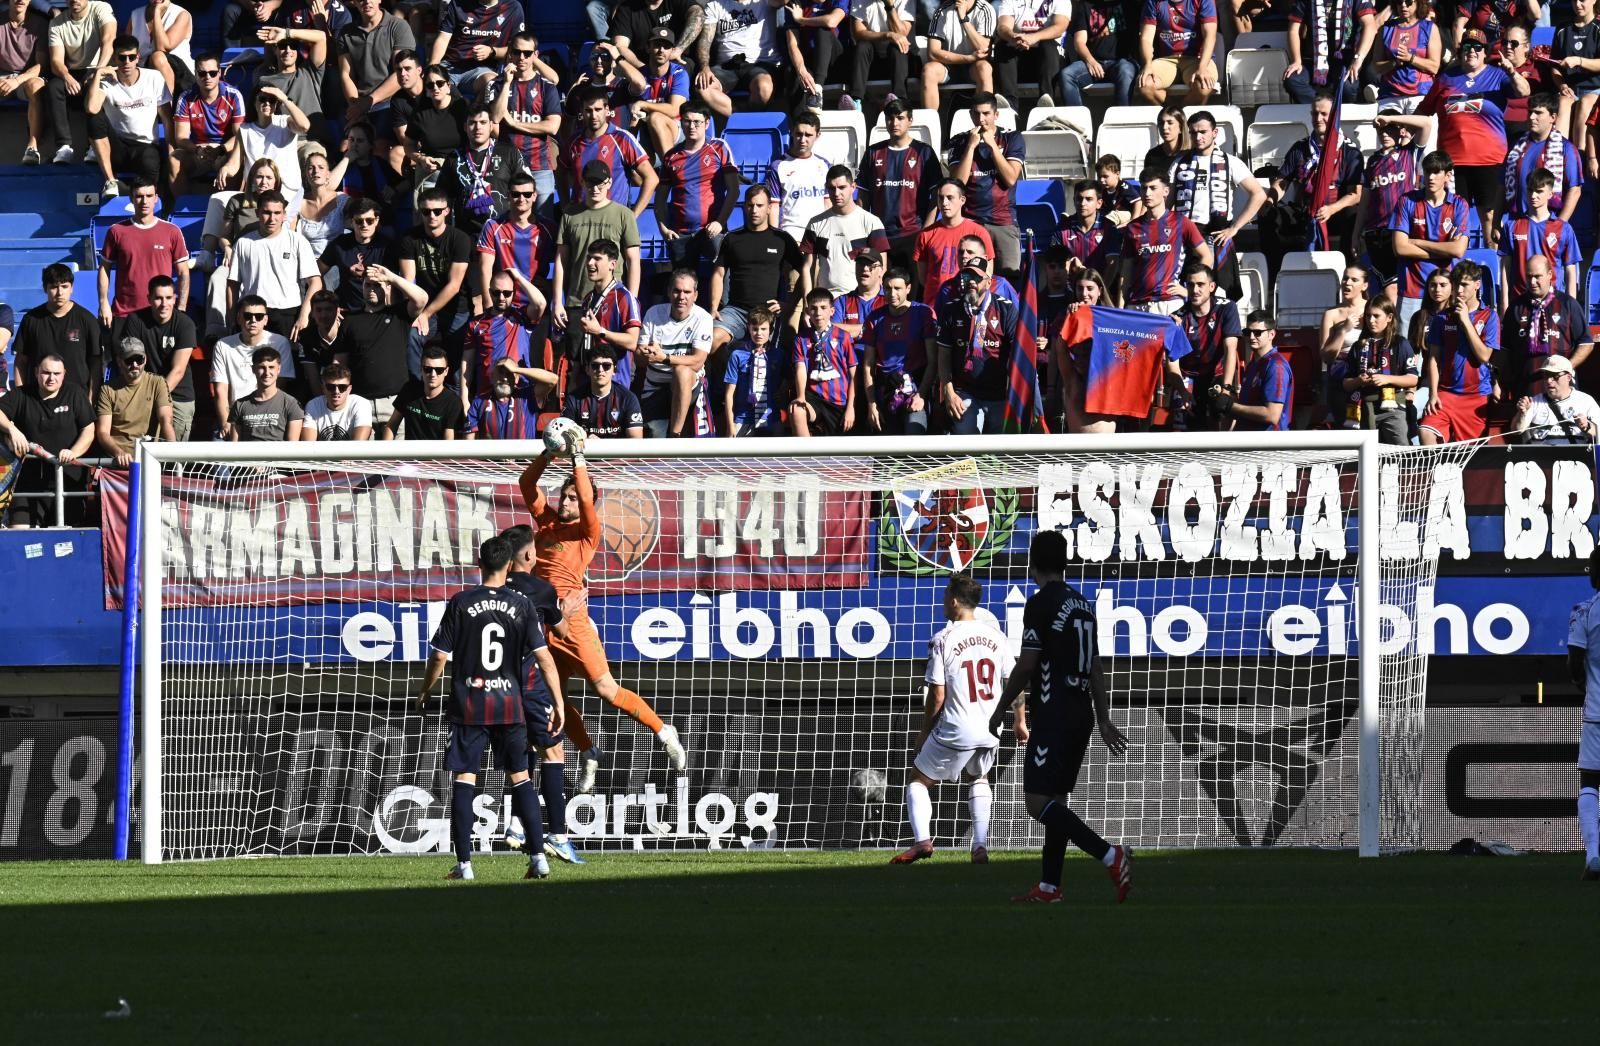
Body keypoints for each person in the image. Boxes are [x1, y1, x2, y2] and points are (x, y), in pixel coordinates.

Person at [519, 447, 687, 792]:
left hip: (574, 625)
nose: (564, 502)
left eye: (571, 497)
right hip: (544, 625)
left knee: (606, 690)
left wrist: (578, 460)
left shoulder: (587, 531)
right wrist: (548, 455)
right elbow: (526, 482)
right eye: (562, 496)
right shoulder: (547, 522)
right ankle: (588, 751)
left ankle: (663, 731)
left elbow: (585, 496)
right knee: (554, 699)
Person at [417, 535, 563, 882]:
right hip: (511, 704)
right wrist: (557, 702)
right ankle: (539, 857)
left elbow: (439, 655)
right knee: (521, 778)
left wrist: (425, 690)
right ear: (510, 565)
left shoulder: (462, 602)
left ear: (479, 565)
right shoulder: (523, 605)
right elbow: (544, 658)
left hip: (470, 705)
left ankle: (465, 865)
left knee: (465, 778)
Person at [997, 529, 1131, 904]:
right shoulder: (1083, 604)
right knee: (1057, 799)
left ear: (1032, 563)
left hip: (1054, 711)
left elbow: (1026, 666)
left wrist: (999, 708)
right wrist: (1103, 718)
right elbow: (1097, 667)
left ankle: (1109, 854)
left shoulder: (1040, 603)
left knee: (1037, 802)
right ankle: (1049, 886)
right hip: (1081, 712)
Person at [891, 572, 1013, 865]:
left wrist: (923, 734)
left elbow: (937, 697)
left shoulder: (943, 639)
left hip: (957, 727)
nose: (944, 601)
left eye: (946, 596)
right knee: (979, 777)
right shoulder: (998, 637)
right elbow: (1014, 683)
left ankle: (922, 841)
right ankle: (980, 846)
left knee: (919, 781)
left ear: (955, 601)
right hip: (990, 729)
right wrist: (1020, 721)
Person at [1387, 28, 1529, 249]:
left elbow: (1524, 91)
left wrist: (1511, 71)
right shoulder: (1446, 79)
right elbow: (1424, 111)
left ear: (1484, 52)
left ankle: (1489, 271)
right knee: (1451, 221)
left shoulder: (1497, 75)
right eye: (1467, 47)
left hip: (1489, 160)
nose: (1471, 51)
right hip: (1452, 164)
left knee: (1490, 220)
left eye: (1477, 47)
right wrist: (1404, 130)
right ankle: (1456, 273)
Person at [1167, 110, 1267, 297]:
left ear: (1215, 132)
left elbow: (1259, 194)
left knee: (1220, 295)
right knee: (1187, 294)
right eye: (1194, 132)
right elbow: (1167, 203)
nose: (1198, 137)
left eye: (1203, 132)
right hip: (1186, 236)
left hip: (1217, 234)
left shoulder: (1231, 161)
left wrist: (1235, 228)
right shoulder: (1179, 163)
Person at [0, 354, 94, 526]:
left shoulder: (75, 394)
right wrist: (11, 429)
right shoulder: (21, 395)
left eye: (57, 374)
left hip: (68, 481)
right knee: (20, 539)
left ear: (64, 374)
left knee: (66, 544)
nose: (51, 378)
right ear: (36, 372)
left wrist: (73, 452)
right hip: (28, 482)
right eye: (46, 373)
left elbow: (89, 431)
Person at [708, 185, 802, 353]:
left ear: (769, 208)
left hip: (768, 313)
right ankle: (726, 379)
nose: (754, 210)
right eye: (750, 205)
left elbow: (804, 272)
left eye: (759, 205)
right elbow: (718, 272)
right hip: (735, 310)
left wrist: (788, 304)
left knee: (779, 354)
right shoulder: (732, 238)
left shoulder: (782, 239)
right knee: (712, 340)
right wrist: (714, 307)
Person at [1386, 149, 1468, 336]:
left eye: (1436, 172)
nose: (1431, 176)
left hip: (1446, 290)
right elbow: (1399, 247)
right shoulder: (1407, 201)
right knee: (1409, 355)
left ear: (1447, 176)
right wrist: (1443, 250)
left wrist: (1416, 242)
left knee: (1444, 353)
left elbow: (1458, 250)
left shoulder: (1459, 205)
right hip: (1412, 290)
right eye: (1428, 171)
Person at [553, 162, 643, 330]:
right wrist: (558, 302)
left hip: (613, 302)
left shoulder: (624, 215)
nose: (595, 188)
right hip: (577, 302)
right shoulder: (569, 215)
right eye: (590, 182)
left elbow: (633, 262)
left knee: (611, 355)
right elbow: (561, 261)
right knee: (576, 356)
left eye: (600, 183)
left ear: (609, 183)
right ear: (582, 182)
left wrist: (631, 302)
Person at [1273, 89, 1364, 255]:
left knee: (1353, 214)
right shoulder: (1300, 148)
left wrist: (1331, 209)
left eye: (1324, 114)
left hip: (1335, 212)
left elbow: (1356, 195)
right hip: (1304, 210)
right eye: (1314, 114)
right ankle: (1276, 272)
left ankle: (1347, 268)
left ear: (1335, 117)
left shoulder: (1350, 152)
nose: (1318, 119)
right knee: (1272, 216)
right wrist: (1269, 200)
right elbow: (1282, 182)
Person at [856, 97, 941, 271]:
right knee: (883, 291)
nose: (894, 123)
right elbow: (863, 195)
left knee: (912, 291)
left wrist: (926, 230)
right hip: (880, 234)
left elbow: (936, 197)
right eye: (890, 118)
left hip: (913, 233)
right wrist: (866, 228)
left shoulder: (924, 152)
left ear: (910, 120)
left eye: (900, 118)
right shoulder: (873, 152)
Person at [654, 99, 739, 274]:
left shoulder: (719, 148)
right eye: (687, 121)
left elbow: (734, 190)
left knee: (721, 279)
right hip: (680, 234)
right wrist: (664, 229)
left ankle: (722, 303)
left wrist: (719, 222)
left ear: (706, 123)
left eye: (697, 122)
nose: (691, 126)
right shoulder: (671, 156)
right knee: (683, 286)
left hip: (712, 230)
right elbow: (660, 198)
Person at [337, 263, 426, 428]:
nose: (372, 289)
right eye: (368, 285)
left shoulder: (399, 314)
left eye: (377, 285)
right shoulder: (350, 320)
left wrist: (391, 277)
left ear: (388, 289)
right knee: (363, 455)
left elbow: (422, 299)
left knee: (396, 454)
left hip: (395, 402)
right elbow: (340, 364)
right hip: (360, 402)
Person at [398, 187, 473, 380]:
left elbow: (454, 285)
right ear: (419, 212)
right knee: (413, 337)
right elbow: (409, 281)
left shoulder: (460, 239)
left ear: (447, 211)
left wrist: (426, 313)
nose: (432, 215)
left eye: (437, 211)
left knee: (456, 366)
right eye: (426, 211)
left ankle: (456, 402)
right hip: (424, 306)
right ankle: (417, 388)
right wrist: (420, 313)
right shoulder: (409, 239)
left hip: (456, 308)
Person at [935, 260, 1018, 435]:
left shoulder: (1006, 310)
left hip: (999, 393)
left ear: (988, 282)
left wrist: (1013, 396)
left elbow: (1016, 357)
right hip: (964, 391)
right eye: (967, 276)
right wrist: (948, 392)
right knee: (964, 444)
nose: (971, 281)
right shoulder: (951, 310)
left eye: (977, 277)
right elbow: (943, 356)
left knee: (998, 452)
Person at [84, 33, 172, 197]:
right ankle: (110, 182)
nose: (127, 62)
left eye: (131, 57)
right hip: (117, 147)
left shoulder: (154, 78)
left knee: (150, 163)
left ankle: (143, 198)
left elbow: (167, 119)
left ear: (138, 57)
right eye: (122, 57)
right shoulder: (106, 81)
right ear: (114, 59)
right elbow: (91, 108)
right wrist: (97, 74)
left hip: (145, 146)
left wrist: (171, 149)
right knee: (94, 119)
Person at [946, 93, 1024, 276]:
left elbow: (1010, 178)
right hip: (971, 221)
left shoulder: (1012, 138)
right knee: (971, 278)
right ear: (971, 115)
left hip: (1003, 222)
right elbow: (958, 183)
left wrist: (992, 146)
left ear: (996, 115)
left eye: (986, 113)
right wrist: (971, 147)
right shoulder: (959, 141)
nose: (981, 119)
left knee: (1009, 278)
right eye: (976, 114)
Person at [1420, 261, 1497, 445]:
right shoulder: (1442, 318)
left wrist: (1465, 321)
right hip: (1446, 394)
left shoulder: (1489, 316)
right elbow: (1433, 359)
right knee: (1426, 432)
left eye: (1465, 284)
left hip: (1477, 396)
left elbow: (1484, 356)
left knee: (1472, 458)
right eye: (1456, 285)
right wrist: (1433, 393)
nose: (1459, 290)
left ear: (1477, 285)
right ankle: (1436, 473)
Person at [228, 190, 321, 341]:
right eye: (267, 212)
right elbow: (233, 284)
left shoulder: (297, 241)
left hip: (289, 314)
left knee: (288, 362)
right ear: (257, 212)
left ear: (284, 214)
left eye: (277, 213)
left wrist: (304, 315)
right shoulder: (243, 243)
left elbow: (315, 281)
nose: (272, 218)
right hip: (253, 314)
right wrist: (232, 318)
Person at [487, 30, 562, 216]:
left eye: (527, 53)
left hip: (539, 166)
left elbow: (552, 126)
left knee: (545, 224)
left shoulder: (546, 86)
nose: (521, 57)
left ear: (535, 55)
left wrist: (515, 124)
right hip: (506, 166)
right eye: (517, 52)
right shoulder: (496, 84)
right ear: (510, 53)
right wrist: (506, 83)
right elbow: (495, 118)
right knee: (504, 221)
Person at [98, 178, 190, 327]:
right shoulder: (116, 231)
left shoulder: (172, 231)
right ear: (131, 199)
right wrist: (104, 303)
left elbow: (183, 272)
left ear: (156, 198)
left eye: (149, 196)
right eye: (139, 196)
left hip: (161, 315)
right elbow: (104, 268)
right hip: (124, 314)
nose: (144, 201)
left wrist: (181, 307)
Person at [1115, 171, 1210, 314]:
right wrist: (1120, 308)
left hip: (1169, 304)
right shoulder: (1132, 227)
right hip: (1137, 304)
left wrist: (1189, 290)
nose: (1147, 193)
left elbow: (1207, 256)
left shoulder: (1181, 222)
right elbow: (1126, 272)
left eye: (1153, 188)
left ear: (1166, 191)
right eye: (1144, 188)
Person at [638, 269, 715, 438]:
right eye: (677, 291)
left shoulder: (703, 318)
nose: (682, 297)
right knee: (654, 442)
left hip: (690, 384)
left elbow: (698, 361)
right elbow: (639, 359)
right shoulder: (653, 313)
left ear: (695, 295)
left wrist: (664, 358)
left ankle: (675, 435)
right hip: (655, 385)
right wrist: (646, 353)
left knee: (682, 370)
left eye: (687, 292)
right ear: (669, 292)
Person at [118, 274, 197, 439]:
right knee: (143, 453)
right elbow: (132, 361)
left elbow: (178, 370)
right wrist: (144, 398)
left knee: (174, 459)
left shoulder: (185, 324)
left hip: (177, 396)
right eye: (158, 298)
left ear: (175, 299)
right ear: (149, 298)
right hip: (143, 392)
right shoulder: (135, 320)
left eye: (168, 298)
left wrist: (155, 398)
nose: (164, 304)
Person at [559, 84, 657, 217]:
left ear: (607, 110)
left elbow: (651, 178)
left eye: (598, 109)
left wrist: (632, 217)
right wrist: (566, 207)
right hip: (580, 221)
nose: (593, 115)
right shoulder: (572, 142)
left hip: (614, 221)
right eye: (588, 110)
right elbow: (561, 174)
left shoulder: (622, 139)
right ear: (581, 111)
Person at [558, 238, 642, 391]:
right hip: (589, 380)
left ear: (612, 265)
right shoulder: (588, 299)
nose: (590, 263)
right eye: (589, 258)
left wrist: (600, 331)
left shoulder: (623, 297)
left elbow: (632, 342)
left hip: (615, 382)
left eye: (597, 259)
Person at [1502, 253, 1592, 398]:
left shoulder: (1568, 304)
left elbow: (1586, 342)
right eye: (1529, 276)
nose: (1532, 282)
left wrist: (1566, 368)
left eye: (1537, 276)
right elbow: (1505, 349)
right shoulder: (1515, 307)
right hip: (1525, 392)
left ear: (1550, 274)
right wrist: (1500, 382)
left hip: (1563, 394)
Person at [1329, 297, 1415, 444]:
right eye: (1368, 316)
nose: (1371, 320)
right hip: (1363, 407)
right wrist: (1358, 381)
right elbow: (1346, 384)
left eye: (1376, 316)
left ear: (1389, 317)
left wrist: (1387, 379)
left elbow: (1412, 379)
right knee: (1368, 455)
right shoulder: (1358, 346)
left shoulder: (1400, 343)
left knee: (1400, 450)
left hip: (1393, 407)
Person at [860, 267, 935, 434]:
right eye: (887, 288)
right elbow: (868, 364)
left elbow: (933, 361)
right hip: (884, 392)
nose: (892, 293)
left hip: (915, 390)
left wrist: (921, 395)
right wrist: (871, 403)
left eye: (897, 288)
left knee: (914, 439)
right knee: (884, 452)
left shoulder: (923, 313)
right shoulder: (874, 318)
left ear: (908, 288)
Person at [438, 105, 530, 240]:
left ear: (491, 125)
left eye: (483, 122)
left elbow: (527, 189)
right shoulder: (454, 158)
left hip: (504, 232)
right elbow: (442, 199)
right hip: (466, 235)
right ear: (465, 127)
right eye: (472, 123)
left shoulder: (509, 152)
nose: (477, 128)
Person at [43, 0, 118, 165]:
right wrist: (66, 76)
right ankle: (63, 147)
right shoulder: (57, 23)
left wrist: (98, 71)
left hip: (99, 66)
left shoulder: (101, 8)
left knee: (97, 86)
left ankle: (93, 145)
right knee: (54, 86)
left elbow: (109, 40)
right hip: (73, 71)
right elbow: (56, 61)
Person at [1354, 113, 1423, 288]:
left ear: (1400, 130)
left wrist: (1392, 119)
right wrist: (1356, 234)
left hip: (1404, 229)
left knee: (1406, 287)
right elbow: (1365, 201)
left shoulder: (1409, 152)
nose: (1384, 134)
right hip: (1378, 233)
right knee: (1390, 289)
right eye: (1380, 130)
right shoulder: (1372, 161)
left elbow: (1426, 124)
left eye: (1389, 129)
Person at [801, 164, 891, 298]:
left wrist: (874, 301)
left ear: (853, 187)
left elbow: (881, 269)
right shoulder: (815, 224)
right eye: (832, 188)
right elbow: (807, 268)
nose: (837, 193)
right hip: (826, 301)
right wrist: (808, 305)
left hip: (860, 300)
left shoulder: (872, 222)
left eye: (842, 187)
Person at [212, 296, 295, 437]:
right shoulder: (223, 345)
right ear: (239, 318)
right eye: (247, 316)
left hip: (270, 413)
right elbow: (220, 389)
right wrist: (225, 423)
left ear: (266, 320)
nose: (253, 320)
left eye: (259, 316)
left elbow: (281, 384)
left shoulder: (279, 342)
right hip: (233, 415)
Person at [1499, 169, 1582, 310]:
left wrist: (1571, 308)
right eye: (1530, 190)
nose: (1533, 195)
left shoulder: (1563, 229)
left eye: (1539, 191)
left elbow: (1570, 271)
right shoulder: (1512, 226)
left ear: (1550, 194)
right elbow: (1505, 268)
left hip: (1554, 304)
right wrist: (1504, 303)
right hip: (1520, 303)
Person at [14, 264, 101, 397]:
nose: (60, 292)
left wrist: (90, 401)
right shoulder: (31, 319)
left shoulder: (87, 320)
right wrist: (20, 398)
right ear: (45, 288)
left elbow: (96, 364)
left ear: (72, 288)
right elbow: (21, 362)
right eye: (54, 287)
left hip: (76, 402)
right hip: (38, 401)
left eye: (65, 286)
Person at [1171, 263, 1239, 432]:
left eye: (1200, 284)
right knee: (1180, 413)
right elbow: (1172, 364)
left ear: (1212, 287)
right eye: (1191, 284)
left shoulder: (1227, 308)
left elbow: (1231, 349)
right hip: (1189, 376)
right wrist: (1182, 390)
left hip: (1217, 374)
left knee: (1222, 408)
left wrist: (1226, 388)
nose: (1195, 290)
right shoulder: (1177, 318)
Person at [1566, 545, 1600, 881]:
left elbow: (1574, 663)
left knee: (1591, 783)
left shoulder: (1584, 611)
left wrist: (1581, 683)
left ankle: (1593, 855)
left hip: (1596, 714)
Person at [474, 170, 550, 316]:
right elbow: (485, 269)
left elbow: (561, 264)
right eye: (516, 194)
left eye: (527, 194)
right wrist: (490, 306)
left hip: (535, 306)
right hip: (503, 306)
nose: (521, 199)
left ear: (535, 196)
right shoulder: (493, 226)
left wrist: (549, 286)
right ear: (508, 195)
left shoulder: (547, 228)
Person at [169, 52, 244, 193]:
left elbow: (240, 135)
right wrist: (197, 150)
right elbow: (181, 138)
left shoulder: (233, 95)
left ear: (219, 73)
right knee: (175, 158)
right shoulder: (186, 98)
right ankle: (180, 206)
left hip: (225, 149)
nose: (207, 77)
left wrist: (220, 149)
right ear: (196, 74)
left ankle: (231, 205)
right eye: (202, 73)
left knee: (240, 157)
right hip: (198, 150)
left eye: (212, 73)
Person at [1502, 94, 1582, 224]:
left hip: (1549, 223)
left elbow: (1575, 190)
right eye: (1530, 112)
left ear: (1553, 117)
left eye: (1538, 113)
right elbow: (1502, 185)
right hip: (1517, 222)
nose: (1532, 117)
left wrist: (1559, 224)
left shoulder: (1566, 148)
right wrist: (1496, 221)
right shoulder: (1516, 146)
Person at [695, 0, 782, 119]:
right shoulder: (715, 5)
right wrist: (705, 67)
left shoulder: (764, 2)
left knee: (764, 87)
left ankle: (744, 121)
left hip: (760, 64)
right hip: (727, 66)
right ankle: (740, 118)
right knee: (703, 86)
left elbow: (783, 1)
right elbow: (705, 41)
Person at [337, 0, 417, 128]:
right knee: (345, 146)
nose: (367, 1)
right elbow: (346, 74)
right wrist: (355, 107)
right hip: (357, 101)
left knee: (380, 144)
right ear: (354, 2)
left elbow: (401, 73)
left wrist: (369, 102)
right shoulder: (346, 32)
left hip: (390, 101)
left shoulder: (399, 27)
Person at [913, 180, 994, 307]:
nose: (944, 203)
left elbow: (987, 273)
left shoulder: (979, 232)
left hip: (969, 304)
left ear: (962, 200)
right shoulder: (925, 235)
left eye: (950, 198)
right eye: (941, 198)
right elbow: (923, 279)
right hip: (934, 307)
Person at [789, 286, 858, 435]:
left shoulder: (843, 337)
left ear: (832, 311)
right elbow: (800, 369)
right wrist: (801, 396)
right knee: (797, 410)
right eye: (813, 308)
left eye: (823, 308)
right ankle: (806, 457)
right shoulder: (801, 339)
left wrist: (851, 407)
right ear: (807, 312)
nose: (818, 313)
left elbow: (853, 375)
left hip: (839, 401)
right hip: (814, 398)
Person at [94, 337, 174, 465]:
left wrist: (174, 453)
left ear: (145, 359)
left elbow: (166, 420)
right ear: (119, 361)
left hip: (148, 460)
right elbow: (103, 432)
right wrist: (119, 453)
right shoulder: (107, 389)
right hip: (117, 461)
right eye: (129, 360)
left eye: (139, 359)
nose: (135, 365)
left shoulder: (158, 382)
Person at [1283, 0, 1376, 105]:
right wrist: (1296, 60)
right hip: (1315, 61)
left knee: (1347, 87)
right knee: (1292, 80)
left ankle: (1334, 114)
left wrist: (1357, 59)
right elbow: (1293, 29)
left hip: (1346, 60)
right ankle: (1320, 109)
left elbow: (1370, 26)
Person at [428, 0, 522, 102]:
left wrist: (492, 51)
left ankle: (475, 114)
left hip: (482, 70)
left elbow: (518, 50)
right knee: (432, 84)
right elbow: (443, 38)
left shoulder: (512, 7)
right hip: (450, 66)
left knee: (492, 84)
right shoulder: (458, 3)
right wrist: (432, 67)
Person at [620, 26, 690, 157]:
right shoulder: (639, 76)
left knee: (655, 118)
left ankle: (671, 169)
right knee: (636, 168)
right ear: (648, 48)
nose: (661, 50)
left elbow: (675, 110)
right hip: (647, 132)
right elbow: (634, 116)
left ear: (672, 51)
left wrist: (644, 104)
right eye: (657, 45)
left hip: (677, 130)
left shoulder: (678, 74)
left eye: (666, 47)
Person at [765, 110, 832, 245]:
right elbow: (774, 206)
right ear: (792, 133)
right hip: (791, 235)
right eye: (799, 134)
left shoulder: (824, 165)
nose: (803, 140)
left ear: (817, 136)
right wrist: (774, 237)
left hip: (819, 235)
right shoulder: (778, 166)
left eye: (808, 135)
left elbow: (828, 203)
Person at [257, 21, 328, 145]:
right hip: (282, 141)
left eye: (293, 46)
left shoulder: (310, 71)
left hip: (311, 141)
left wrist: (287, 33)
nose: (288, 50)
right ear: (275, 50)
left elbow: (321, 37)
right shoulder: (265, 81)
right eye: (283, 46)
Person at [1220, 310, 1293, 431]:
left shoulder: (1276, 366)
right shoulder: (1254, 365)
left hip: (1269, 445)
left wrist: (1230, 406)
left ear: (1272, 334)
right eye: (1247, 332)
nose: (1252, 337)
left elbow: (1272, 415)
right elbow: (1246, 407)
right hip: (1252, 442)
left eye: (1258, 332)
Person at [1137, 0, 1218, 105]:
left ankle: (1177, 115)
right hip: (1166, 60)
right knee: (1145, 85)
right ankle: (1174, 113)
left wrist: (1202, 67)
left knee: (1204, 86)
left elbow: (1210, 36)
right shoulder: (1153, 2)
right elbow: (1146, 38)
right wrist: (1148, 64)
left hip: (1197, 59)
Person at [320, 196, 392, 313]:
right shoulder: (340, 244)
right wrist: (329, 303)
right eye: (359, 221)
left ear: (377, 220)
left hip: (379, 312)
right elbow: (317, 272)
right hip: (347, 312)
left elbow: (395, 282)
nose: (364, 225)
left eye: (370, 220)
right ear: (351, 222)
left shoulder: (387, 247)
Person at [1058, 0, 1136, 106]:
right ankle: (1076, 120)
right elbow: (1079, 42)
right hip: (1093, 62)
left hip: (1120, 62)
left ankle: (1121, 119)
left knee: (1126, 71)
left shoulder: (1127, 4)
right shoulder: (1086, 5)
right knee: (1067, 75)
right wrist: (1090, 61)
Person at [923, 0, 997, 110]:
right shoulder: (942, 10)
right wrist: (968, 58)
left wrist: (964, 19)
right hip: (949, 65)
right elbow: (933, 53)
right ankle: (931, 123)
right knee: (929, 70)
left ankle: (983, 118)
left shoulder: (985, 9)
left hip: (974, 67)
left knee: (984, 68)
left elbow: (983, 49)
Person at [382, 344, 467, 439]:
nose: (433, 374)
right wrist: (387, 451)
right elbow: (391, 425)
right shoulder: (409, 389)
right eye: (428, 369)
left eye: (439, 370)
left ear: (446, 371)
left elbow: (449, 443)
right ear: (421, 369)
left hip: (437, 453)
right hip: (409, 453)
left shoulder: (453, 402)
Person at [1512, 354, 1600, 445]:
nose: (1549, 381)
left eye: (1555, 376)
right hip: (1540, 457)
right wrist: (1522, 414)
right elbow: (1515, 431)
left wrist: (1586, 426)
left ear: (1568, 377)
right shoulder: (1533, 402)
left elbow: (1598, 432)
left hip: (1575, 457)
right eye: (1546, 376)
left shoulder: (1585, 401)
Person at [721, 307, 783, 436]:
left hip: (771, 416)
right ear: (748, 328)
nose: (759, 333)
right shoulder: (737, 355)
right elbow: (729, 394)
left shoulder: (778, 355)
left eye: (763, 329)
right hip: (742, 417)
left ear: (771, 330)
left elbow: (786, 382)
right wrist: (729, 424)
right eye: (755, 329)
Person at [1, 0, 49, 165]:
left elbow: (41, 64)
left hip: (26, 77)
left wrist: (17, 80)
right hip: (2, 76)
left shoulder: (40, 24)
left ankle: (32, 148)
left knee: (35, 86)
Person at [847, 0, 916, 115]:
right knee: (862, 46)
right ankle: (856, 100)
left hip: (900, 63)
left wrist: (889, 6)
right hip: (872, 64)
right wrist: (887, 35)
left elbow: (902, 33)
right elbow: (858, 33)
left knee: (898, 47)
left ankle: (899, 101)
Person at [1368, 0, 1437, 112]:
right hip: (1390, 95)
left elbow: (1434, 66)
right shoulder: (1385, 29)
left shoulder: (1429, 28)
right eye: (1399, 2)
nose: (1403, 5)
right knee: (1387, 129)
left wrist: (1411, 58)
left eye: (1409, 2)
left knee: (1416, 129)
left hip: (1420, 95)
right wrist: (1395, 62)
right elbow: (1376, 66)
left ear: (1418, 3)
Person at [562, 346, 645, 438]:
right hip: (584, 451)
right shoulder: (573, 398)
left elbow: (636, 441)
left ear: (615, 370)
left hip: (617, 452)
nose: (600, 370)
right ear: (587, 370)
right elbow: (564, 436)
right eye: (595, 366)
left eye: (606, 366)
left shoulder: (628, 398)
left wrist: (602, 446)